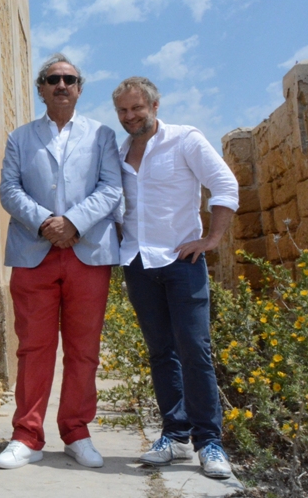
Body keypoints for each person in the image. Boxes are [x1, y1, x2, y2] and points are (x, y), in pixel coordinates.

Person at [0, 53, 122, 470]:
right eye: (53, 79)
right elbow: (9, 190)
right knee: (34, 347)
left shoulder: (102, 135)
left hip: (88, 253)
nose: (61, 85)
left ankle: (77, 431)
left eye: (69, 79)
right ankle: (26, 435)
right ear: (41, 88)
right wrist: (46, 222)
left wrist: (73, 222)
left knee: (84, 349)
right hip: (35, 253)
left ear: (80, 88)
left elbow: (110, 188)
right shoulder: (21, 137)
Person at [112, 77, 238, 480]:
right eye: (123, 111)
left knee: (194, 349)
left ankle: (209, 442)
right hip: (137, 262)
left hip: (182, 261)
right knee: (160, 352)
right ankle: (175, 434)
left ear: (154, 105)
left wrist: (212, 237)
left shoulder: (185, 140)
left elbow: (224, 185)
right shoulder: (118, 152)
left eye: (137, 108)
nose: (130, 117)